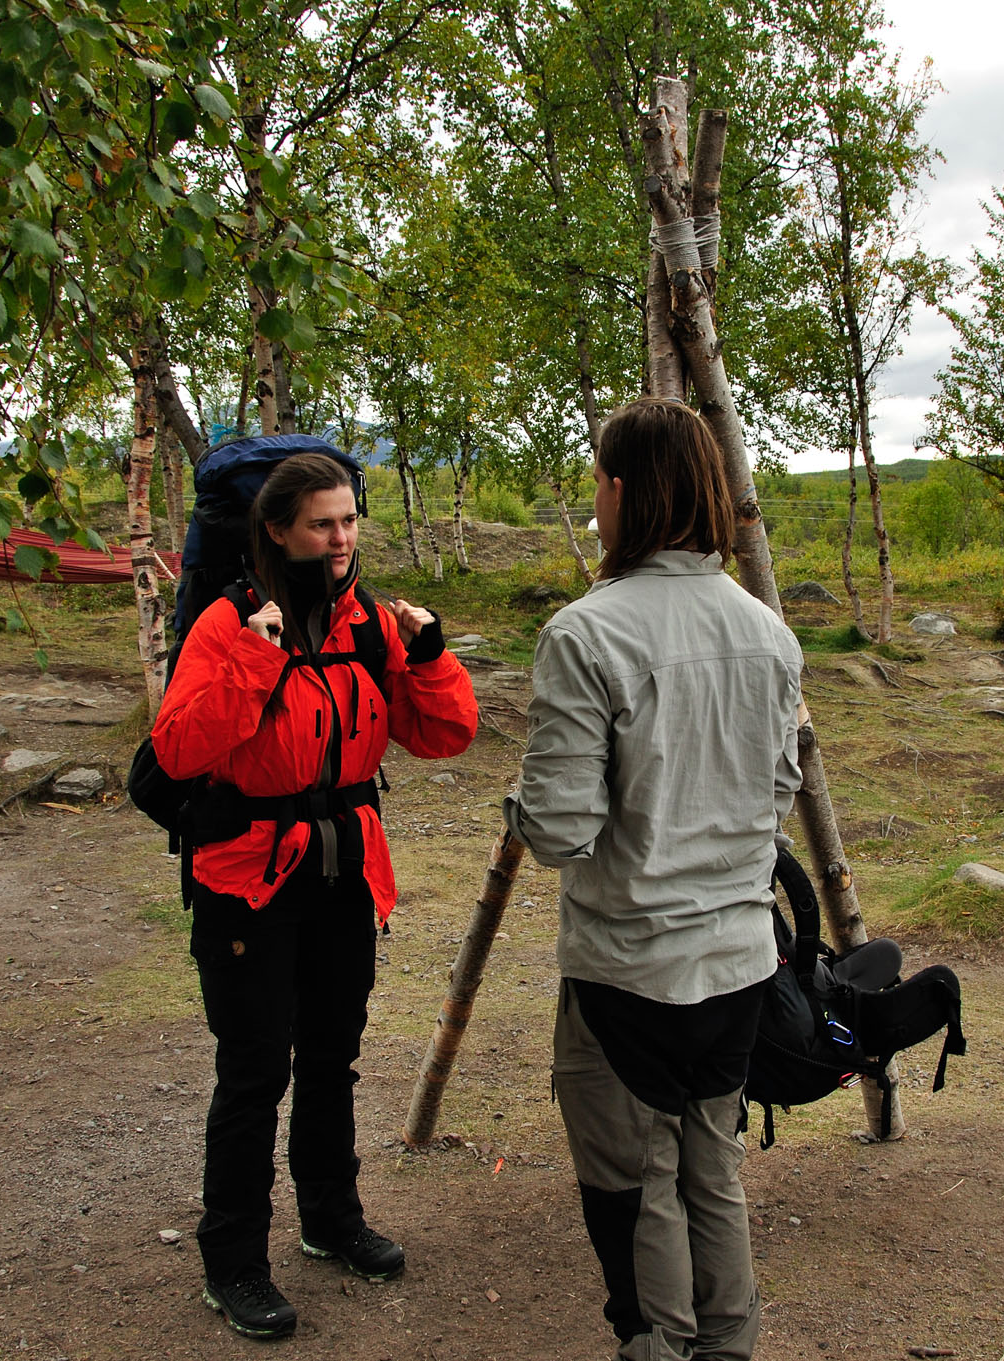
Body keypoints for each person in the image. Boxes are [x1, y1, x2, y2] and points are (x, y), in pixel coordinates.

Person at [151, 451, 479, 1340]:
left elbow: (445, 734)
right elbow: (177, 748)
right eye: (321, 524)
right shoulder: (228, 625)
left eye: (348, 521)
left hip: (343, 871)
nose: (340, 539)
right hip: (247, 881)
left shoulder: (369, 624)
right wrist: (257, 660)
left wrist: (430, 655)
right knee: (255, 1073)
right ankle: (235, 1264)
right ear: (276, 530)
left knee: (332, 1057)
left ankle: (330, 1220)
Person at [504, 398, 804, 1361]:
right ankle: (729, 1346)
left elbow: (556, 830)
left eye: (598, 481)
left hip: (630, 969)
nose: (594, 500)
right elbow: (783, 785)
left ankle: (659, 1347)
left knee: (637, 1183)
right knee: (711, 1166)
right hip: (741, 964)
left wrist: (518, 806)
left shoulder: (586, 635)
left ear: (625, 491)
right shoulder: (768, 631)